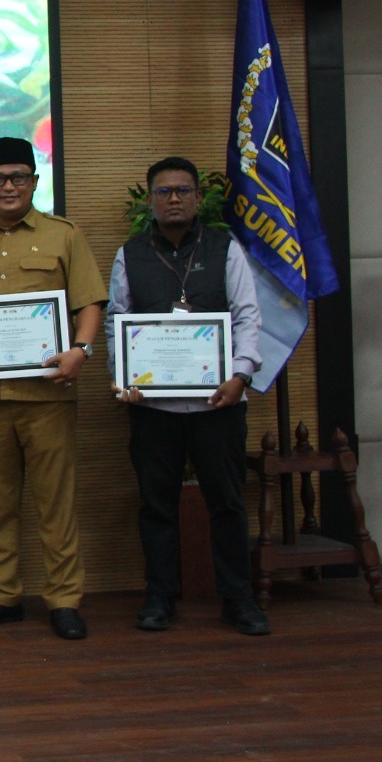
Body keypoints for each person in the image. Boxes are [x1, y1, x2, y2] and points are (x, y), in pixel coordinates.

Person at [0, 137, 107, 640]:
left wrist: (81, 350)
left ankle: (64, 600)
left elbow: (90, 302)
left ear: (34, 181)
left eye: (18, 177)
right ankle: (2, 596)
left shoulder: (63, 235)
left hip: (48, 394)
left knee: (56, 503)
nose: (8, 186)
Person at [108, 157, 270, 635]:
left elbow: (247, 315)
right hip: (153, 405)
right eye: (164, 191)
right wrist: (122, 376)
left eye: (183, 190)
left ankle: (238, 599)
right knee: (156, 504)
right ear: (150, 200)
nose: (174, 198)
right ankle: (160, 597)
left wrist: (241, 375)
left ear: (198, 197)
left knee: (228, 503)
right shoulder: (130, 254)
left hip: (218, 402)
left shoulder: (225, 248)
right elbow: (117, 320)